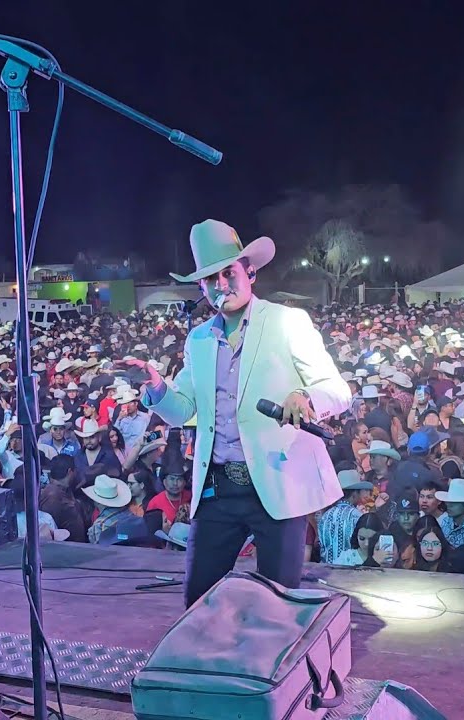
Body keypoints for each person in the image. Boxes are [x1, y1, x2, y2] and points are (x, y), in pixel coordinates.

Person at [128, 220, 351, 607]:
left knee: (276, 605)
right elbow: (183, 412)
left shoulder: (287, 322)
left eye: (227, 273)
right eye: (210, 279)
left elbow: (339, 389)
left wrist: (305, 397)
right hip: (218, 488)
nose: (221, 285)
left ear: (249, 271)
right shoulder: (198, 339)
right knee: (198, 600)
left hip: (276, 485)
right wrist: (156, 386)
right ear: (201, 287)